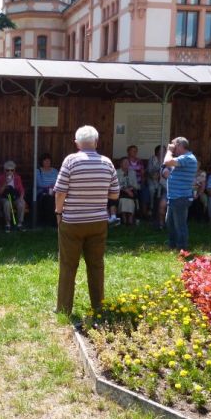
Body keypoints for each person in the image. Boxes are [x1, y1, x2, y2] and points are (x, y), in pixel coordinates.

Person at [54, 125, 119, 315]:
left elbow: (60, 192)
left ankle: (64, 309)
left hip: (72, 222)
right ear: (96, 142)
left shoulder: (71, 161)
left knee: (68, 265)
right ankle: (98, 306)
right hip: (98, 221)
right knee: (96, 265)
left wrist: (59, 213)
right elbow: (114, 195)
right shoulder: (107, 163)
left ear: (77, 143)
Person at [162, 137, 197, 251]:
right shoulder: (182, 159)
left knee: (180, 225)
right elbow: (167, 170)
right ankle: (172, 245)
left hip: (181, 197)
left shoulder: (188, 158)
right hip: (174, 197)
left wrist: (169, 151)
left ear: (180, 146)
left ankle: (182, 248)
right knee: (170, 222)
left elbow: (167, 161)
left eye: (174, 146)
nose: (173, 148)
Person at [0, 160, 26, 232]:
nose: (10, 172)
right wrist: (6, 183)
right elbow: (0, 192)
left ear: (14, 170)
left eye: (12, 170)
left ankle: (20, 224)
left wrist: (21, 198)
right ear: (4, 170)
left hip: (15, 196)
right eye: (7, 170)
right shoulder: (1, 177)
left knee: (21, 203)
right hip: (4, 197)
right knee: (7, 204)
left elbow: (21, 189)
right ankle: (8, 224)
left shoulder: (17, 177)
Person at [115, 157, 139, 225]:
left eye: (128, 162)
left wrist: (130, 189)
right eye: (124, 162)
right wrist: (125, 190)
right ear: (121, 164)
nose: (126, 164)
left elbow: (135, 185)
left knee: (130, 198)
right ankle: (124, 219)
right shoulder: (116, 172)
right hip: (120, 191)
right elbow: (115, 185)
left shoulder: (132, 172)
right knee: (123, 198)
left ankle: (130, 219)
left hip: (131, 191)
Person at [36, 153, 59, 227]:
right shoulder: (38, 171)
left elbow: (59, 181)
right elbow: (39, 184)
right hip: (43, 192)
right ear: (41, 162)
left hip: (55, 191)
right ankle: (49, 221)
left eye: (48, 161)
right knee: (50, 199)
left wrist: (54, 187)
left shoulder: (55, 171)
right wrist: (50, 186)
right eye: (45, 161)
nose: (47, 162)